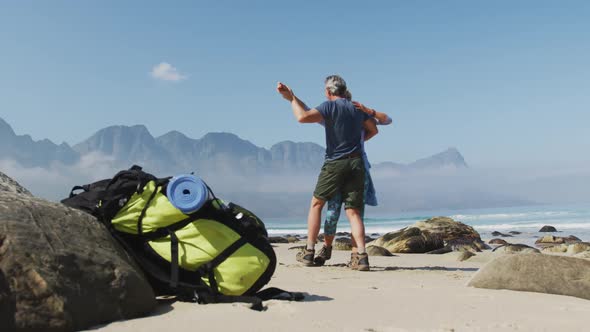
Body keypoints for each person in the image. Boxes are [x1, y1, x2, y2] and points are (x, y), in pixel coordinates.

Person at [276, 75, 378, 271]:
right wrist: (293, 97)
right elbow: (373, 130)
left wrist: (291, 100)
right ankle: (362, 257)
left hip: (335, 163)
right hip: (357, 163)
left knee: (317, 204)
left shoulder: (329, 107)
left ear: (328, 92)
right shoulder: (356, 108)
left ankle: (309, 251)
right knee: (354, 212)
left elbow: (302, 117)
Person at [314, 90, 392, 266]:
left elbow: (386, 120)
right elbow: (382, 125)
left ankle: (329, 249)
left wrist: (369, 111)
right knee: (355, 214)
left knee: (334, 212)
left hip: (343, 167)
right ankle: (358, 256)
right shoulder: (355, 118)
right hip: (358, 168)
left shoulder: (345, 117)